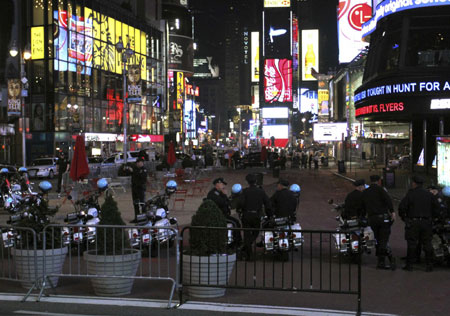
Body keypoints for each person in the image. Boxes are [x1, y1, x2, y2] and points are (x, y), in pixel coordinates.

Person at [399, 176, 439, 272]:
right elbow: (436, 208)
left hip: (413, 222)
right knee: (427, 243)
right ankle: (429, 265)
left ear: (414, 183)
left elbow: (402, 207)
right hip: (426, 222)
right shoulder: (429, 195)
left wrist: (404, 218)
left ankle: (410, 265)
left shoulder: (410, 194)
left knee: (412, 243)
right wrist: (432, 218)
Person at [361, 175, 396, 270]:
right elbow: (388, 201)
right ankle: (385, 261)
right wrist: (392, 211)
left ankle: (381, 261)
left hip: (372, 219)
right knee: (384, 240)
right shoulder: (381, 190)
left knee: (377, 239)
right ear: (379, 181)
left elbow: (363, 206)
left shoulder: (365, 192)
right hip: (383, 218)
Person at [236, 173, 271, 260]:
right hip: (256, 215)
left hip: (246, 215)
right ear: (256, 181)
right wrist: (269, 214)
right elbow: (267, 203)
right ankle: (248, 245)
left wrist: (240, 209)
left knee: (247, 234)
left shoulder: (245, 191)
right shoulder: (260, 191)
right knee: (256, 231)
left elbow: (240, 203)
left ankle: (248, 251)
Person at [206, 177, 241, 246]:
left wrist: (224, 195)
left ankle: (236, 241)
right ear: (217, 184)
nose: (223, 186)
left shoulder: (220, 193)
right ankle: (237, 243)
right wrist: (224, 194)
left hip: (224, 215)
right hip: (218, 216)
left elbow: (228, 202)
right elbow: (222, 203)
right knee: (235, 223)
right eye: (222, 184)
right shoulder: (212, 194)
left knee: (236, 222)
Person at [130, 157, 148, 222]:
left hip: (140, 189)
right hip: (134, 188)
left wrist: (134, 172)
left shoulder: (144, 169)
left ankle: (143, 218)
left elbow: (142, 177)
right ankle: (136, 218)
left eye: (140, 163)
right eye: (138, 163)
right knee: (135, 204)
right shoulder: (135, 169)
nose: (139, 164)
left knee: (142, 204)